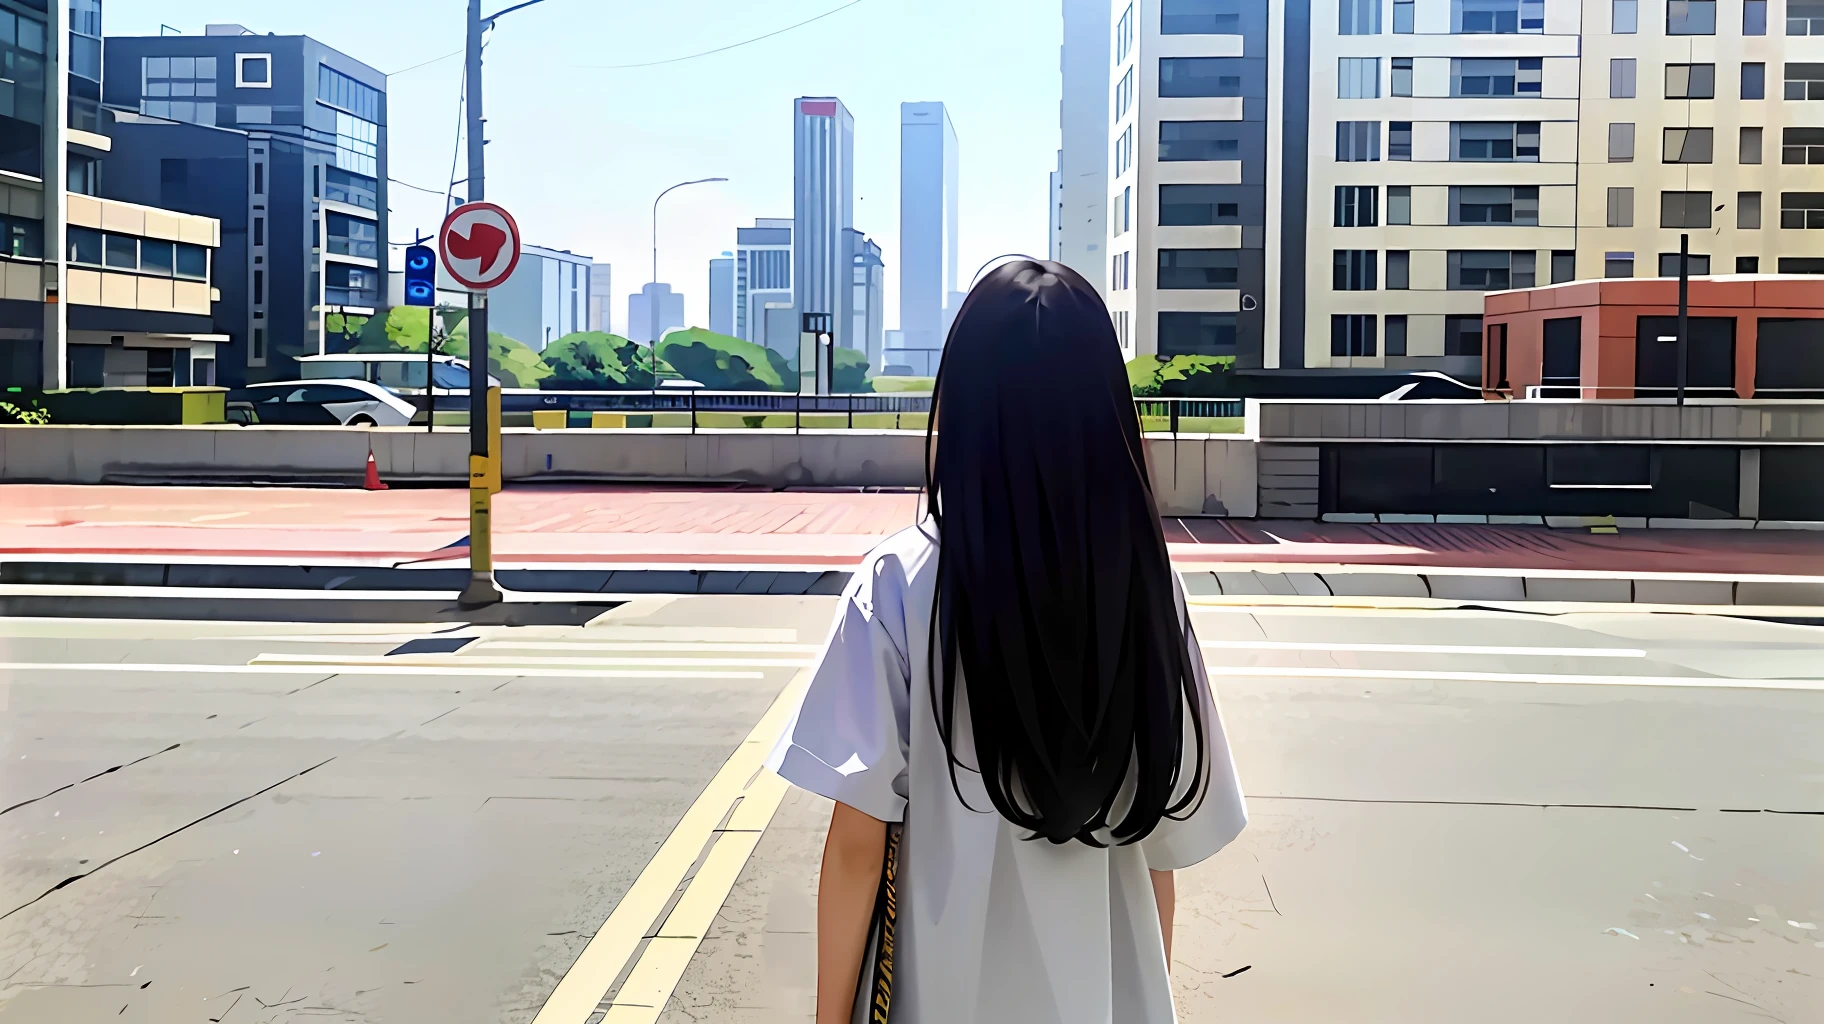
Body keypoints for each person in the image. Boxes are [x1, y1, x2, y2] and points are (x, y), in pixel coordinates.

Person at [768, 259, 1247, 1023]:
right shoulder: (1147, 588)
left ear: (961, 409)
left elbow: (857, 843)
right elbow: (1159, 853)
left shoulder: (900, 582)